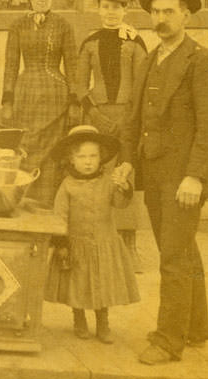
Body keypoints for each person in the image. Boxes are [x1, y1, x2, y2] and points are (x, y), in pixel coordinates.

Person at [115, 0, 208, 365]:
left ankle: (168, 341)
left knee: (174, 258)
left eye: (169, 12)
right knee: (178, 250)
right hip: (155, 172)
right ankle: (195, 328)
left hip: (184, 178)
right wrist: (128, 160)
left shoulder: (202, 61)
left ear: (186, 15)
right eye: (156, 12)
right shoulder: (150, 59)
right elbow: (133, 117)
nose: (161, 19)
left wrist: (195, 176)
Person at [76, 0, 148, 268]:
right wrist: (95, 115)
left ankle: (129, 246)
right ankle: (100, 246)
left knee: (126, 177)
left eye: (116, 7)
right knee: (99, 179)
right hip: (98, 119)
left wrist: (129, 121)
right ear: (98, 8)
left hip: (128, 120)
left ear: (125, 9)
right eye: (105, 6)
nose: (110, 12)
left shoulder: (135, 41)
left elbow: (143, 86)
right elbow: (79, 86)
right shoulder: (90, 43)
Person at [43, 124, 139, 344]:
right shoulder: (67, 186)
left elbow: (121, 203)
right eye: (82, 156)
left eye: (93, 156)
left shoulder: (108, 182)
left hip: (103, 245)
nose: (88, 161)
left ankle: (103, 323)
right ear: (71, 159)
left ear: (101, 158)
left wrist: (123, 187)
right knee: (76, 284)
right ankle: (79, 319)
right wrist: (61, 243)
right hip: (76, 245)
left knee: (101, 284)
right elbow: (59, 217)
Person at [0, 0, 79, 203]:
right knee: (27, 148)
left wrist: (75, 100)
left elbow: (73, 66)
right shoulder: (18, 26)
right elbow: (11, 65)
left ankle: (47, 205)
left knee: (51, 153)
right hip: (26, 95)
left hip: (56, 96)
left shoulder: (63, 25)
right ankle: (25, 203)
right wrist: (7, 101)